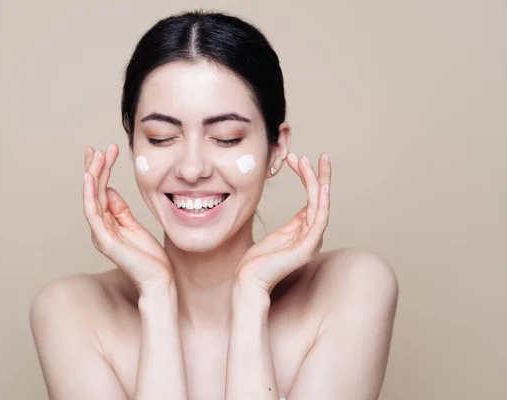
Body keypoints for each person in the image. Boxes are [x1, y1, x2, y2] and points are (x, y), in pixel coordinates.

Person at [30, 10, 399, 400]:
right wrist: (156, 296)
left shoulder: (350, 287)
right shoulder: (70, 312)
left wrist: (251, 294)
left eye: (226, 138)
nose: (192, 169)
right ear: (133, 143)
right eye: (160, 137)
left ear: (277, 148)